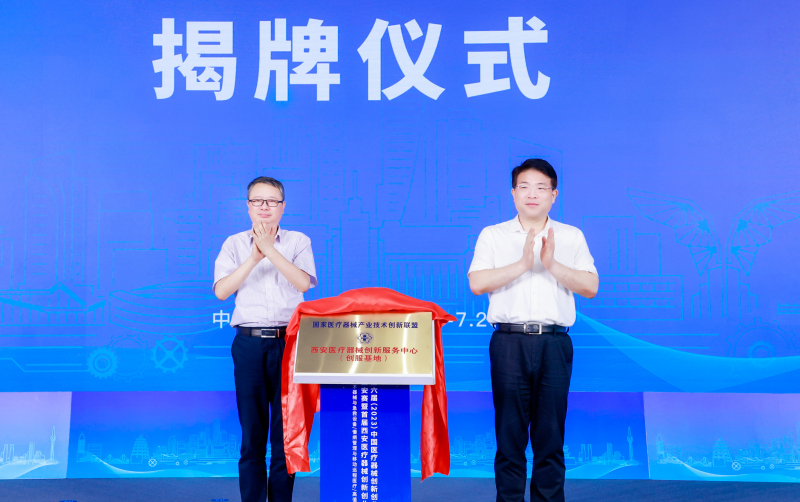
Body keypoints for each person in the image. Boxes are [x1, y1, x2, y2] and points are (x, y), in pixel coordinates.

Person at [468, 159, 599, 502]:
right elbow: (477, 283)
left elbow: (590, 287)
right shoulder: (493, 235)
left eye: (541, 188)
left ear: (554, 195)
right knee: (509, 438)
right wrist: (524, 264)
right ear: (513, 193)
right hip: (508, 343)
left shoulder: (571, 236)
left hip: (554, 343)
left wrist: (551, 264)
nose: (532, 194)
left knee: (550, 438)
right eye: (524, 186)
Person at [213, 176, 317, 502]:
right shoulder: (233, 244)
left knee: (286, 435)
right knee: (252, 436)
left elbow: (303, 283)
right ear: (248, 206)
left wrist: (271, 250)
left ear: (283, 207)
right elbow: (221, 291)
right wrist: (255, 257)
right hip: (249, 344)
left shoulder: (298, 241)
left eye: (272, 201)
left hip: (290, 343)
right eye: (258, 201)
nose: (264, 207)